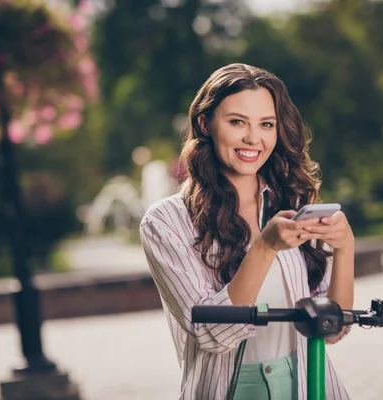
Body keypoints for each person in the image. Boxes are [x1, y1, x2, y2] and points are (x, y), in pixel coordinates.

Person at [140, 63, 354, 400]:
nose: (254, 138)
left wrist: (345, 248)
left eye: (266, 124)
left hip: (311, 382)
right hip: (230, 390)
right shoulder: (165, 221)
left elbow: (332, 328)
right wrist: (264, 247)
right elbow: (212, 332)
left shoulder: (293, 202)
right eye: (237, 122)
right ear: (204, 124)